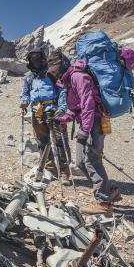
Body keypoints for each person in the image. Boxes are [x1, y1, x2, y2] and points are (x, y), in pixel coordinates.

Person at [50, 58, 122, 216]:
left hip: (94, 122)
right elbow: (75, 110)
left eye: (54, 70)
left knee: (92, 160)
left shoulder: (78, 77)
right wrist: (60, 119)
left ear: (62, 66)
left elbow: (88, 104)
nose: (53, 74)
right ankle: (110, 191)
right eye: (51, 72)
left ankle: (104, 203)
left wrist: (85, 130)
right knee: (81, 162)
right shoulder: (68, 80)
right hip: (86, 123)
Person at [20, 48, 71, 184]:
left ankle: (65, 173)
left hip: (54, 110)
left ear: (42, 58)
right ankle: (49, 168)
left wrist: (62, 107)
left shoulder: (51, 74)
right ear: (30, 60)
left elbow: (62, 90)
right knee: (42, 141)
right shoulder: (29, 77)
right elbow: (25, 93)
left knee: (60, 141)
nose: (35, 60)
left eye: (37, 57)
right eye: (32, 58)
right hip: (37, 111)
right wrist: (24, 102)